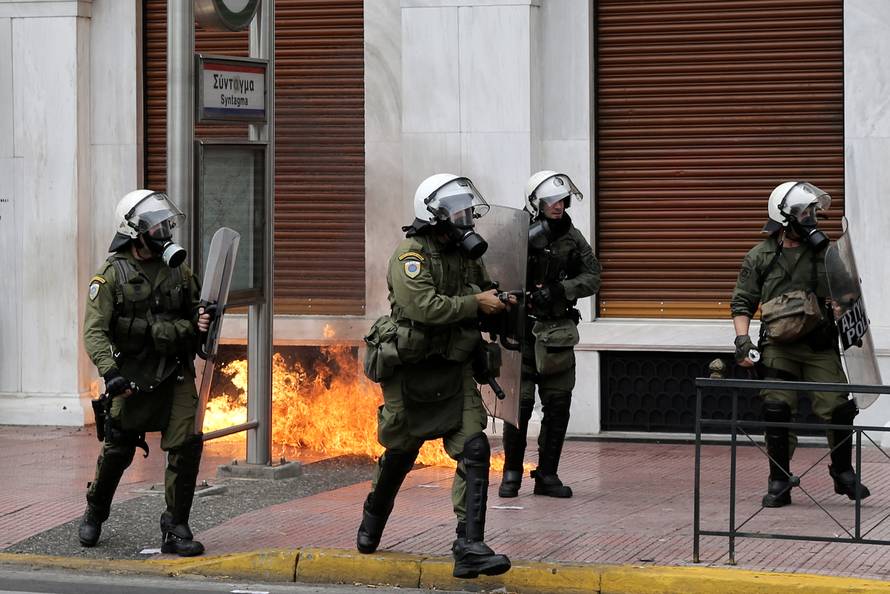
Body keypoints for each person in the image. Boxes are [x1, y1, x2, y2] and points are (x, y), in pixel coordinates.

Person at [356, 173, 512, 579]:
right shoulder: (410, 256)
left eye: (468, 210)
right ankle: (373, 518)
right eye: (457, 211)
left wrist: (501, 304)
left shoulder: (467, 255)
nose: (466, 218)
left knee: (474, 449)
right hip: (412, 370)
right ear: (434, 214)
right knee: (401, 454)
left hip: (454, 367)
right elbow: (423, 307)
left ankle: (469, 547)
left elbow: (484, 292)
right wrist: (475, 303)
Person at [79, 189, 211, 556]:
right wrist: (110, 374)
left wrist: (202, 317)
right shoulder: (111, 276)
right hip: (132, 376)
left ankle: (175, 528)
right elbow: (94, 332)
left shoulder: (179, 268)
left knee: (186, 446)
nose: (164, 231)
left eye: (166, 223)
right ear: (134, 232)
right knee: (118, 450)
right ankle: (96, 509)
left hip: (175, 372)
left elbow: (197, 304)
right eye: (155, 226)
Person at [731, 181, 870, 508]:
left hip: (819, 345)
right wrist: (742, 341)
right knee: (777, 408)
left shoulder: (825, 253)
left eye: (812, 212)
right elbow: (742, 302)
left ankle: (842, 471)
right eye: (804, 213)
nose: (811, 219)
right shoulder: (760, 256)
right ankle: (779, 480)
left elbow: (849, 294)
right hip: (778, 347)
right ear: (784, 218)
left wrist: (844, 302)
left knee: (839, 406)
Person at [498, 171, 601, 499]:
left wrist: (560, 289)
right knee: (520, 405)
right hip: (521, 334)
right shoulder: (515, 232)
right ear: (536, 203)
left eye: (562, 200)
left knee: (558, 405)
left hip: (556, 335)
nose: (558, 206)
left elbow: (593, 277)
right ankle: (511, 474)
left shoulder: (572, 237)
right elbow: (492, 271)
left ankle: (547, 475)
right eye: (551, 201)